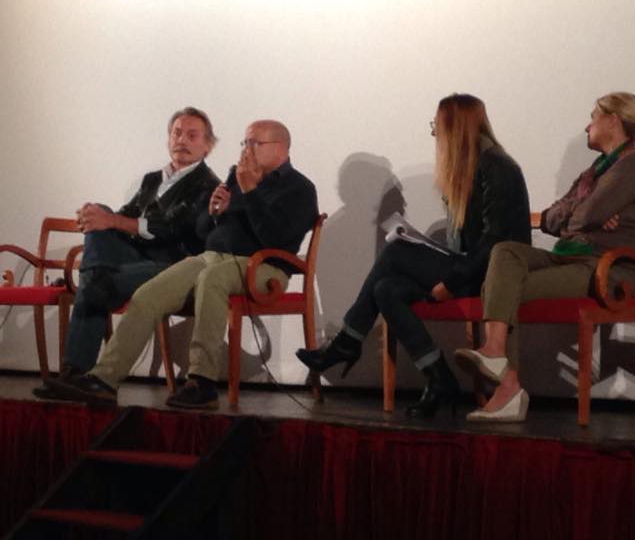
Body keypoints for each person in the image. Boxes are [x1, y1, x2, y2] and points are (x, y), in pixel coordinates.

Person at [47, 120, 319, 410]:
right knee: (148, 295)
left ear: (280, 148)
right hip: (213, 258)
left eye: (255, 143)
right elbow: (205, 233)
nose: (246, 150)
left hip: (263, 267)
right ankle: (104, 380)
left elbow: (274, 238)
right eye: (245, 142)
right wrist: (214, 213)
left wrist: (250, 192)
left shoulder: (299, 188)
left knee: (212, 278)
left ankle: (202, 382)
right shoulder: (236, 176)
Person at [296, 93, 530, 418]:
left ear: (455, 128)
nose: (434, 133)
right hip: (472, 267)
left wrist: (450, 281)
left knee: (395, 251)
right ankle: (438, 376)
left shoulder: (497, 168)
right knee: (386, 289)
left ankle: (347, 341)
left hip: (492, 277)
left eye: (437, 125)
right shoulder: (469, 168)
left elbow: (495, 244)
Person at [453, 92, 635, 422]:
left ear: (613, 121)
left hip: (608, 268)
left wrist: (583, 214)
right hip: (574, 258)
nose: (587, 127)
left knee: (503, 290)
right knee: (505, 252)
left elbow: (583, 215)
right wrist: (585, 214)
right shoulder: (594, 173)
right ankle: (496, 354)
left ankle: (507, 389)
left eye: (593, 118)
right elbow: (552, 217)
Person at [34, 107, 221, 400]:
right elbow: (124, 217)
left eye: (191, 135)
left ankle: (75, 372)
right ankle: (76, 374)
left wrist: (111, 221)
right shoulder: (152, 180)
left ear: (207, 145)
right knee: (100, 220)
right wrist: (95, 218)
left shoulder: (209, 185)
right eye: (176, 133)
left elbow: (170, 227)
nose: (181, 140)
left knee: (95, 279)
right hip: (135, 259)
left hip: (173, 267)